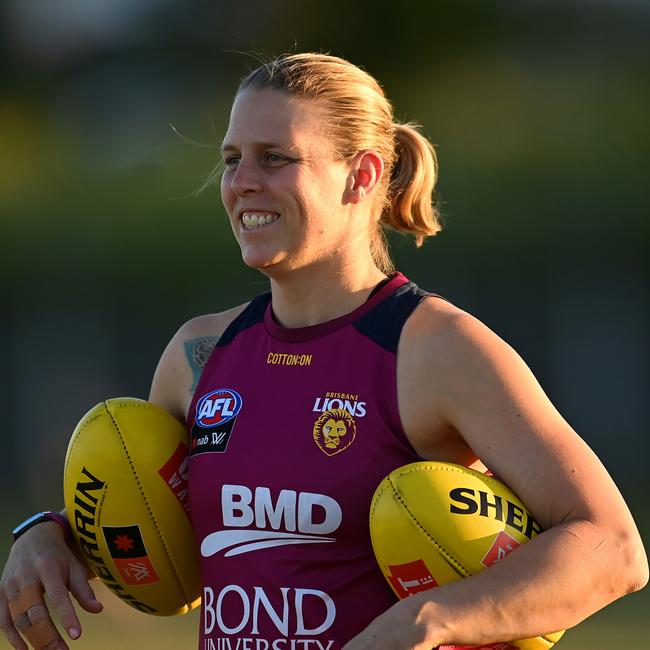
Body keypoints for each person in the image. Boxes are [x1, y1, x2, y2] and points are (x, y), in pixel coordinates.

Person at [1, 52, 647, 650]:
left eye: (275, 158)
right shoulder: (199, 356)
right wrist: (45, 534)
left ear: (362, 175)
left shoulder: (433, 350)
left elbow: (613, 548)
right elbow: (144, 521)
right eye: (231, 160)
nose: (241, 183)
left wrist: (430, 618)